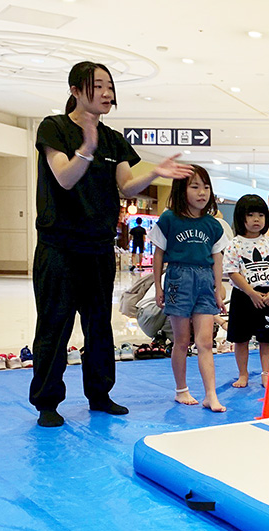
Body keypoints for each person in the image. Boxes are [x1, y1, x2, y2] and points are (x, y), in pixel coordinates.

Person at [30, 61, 193, 428]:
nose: (107, 94)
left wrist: (153, 173)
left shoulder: (114, 138)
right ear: (75, 90)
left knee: (99, 326)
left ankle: (100, 394)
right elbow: (65, 178)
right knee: (54, 325)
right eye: (98, 86)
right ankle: (47, 402)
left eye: (109, 87)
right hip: (59, 247)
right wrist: (86, 146)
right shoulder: (53, 127)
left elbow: (126, 186)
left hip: (98, 248)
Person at [151, 165, 229, 411]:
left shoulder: (213, 225)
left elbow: (218, 258)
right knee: (182, 341)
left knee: (205, 341)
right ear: (181, 189)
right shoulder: (169, 219)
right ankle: (181, 390)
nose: (202, 192)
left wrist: (218, 288)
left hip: (204, 279)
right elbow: (158, 254)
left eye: (206, 187)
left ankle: (210, 394)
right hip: (178, 278)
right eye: (194, 186)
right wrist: (157, 287)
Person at [223, 195, 269, 388]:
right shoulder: (234, 243)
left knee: (267, 339)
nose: (256, 219)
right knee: (240, 339)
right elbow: (232, 272)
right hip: (243, 296)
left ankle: (266, 373)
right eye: (250, 215)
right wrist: (251, 292)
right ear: (241, 218)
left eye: (261, 214)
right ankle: (242, 374)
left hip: (268, 296)